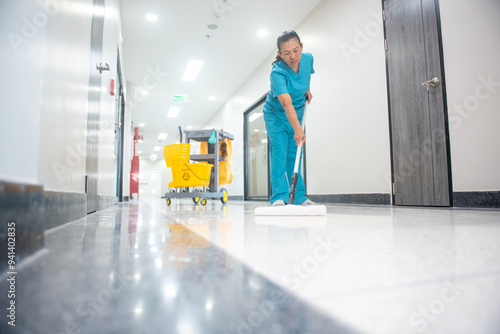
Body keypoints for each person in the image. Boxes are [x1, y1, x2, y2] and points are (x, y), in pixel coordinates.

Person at [263, 30, 316, 207]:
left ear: (302, 47)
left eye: (296, 50)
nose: (293, 56)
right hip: (276, 114)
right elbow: (286, 104)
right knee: (280, 153)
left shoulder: (308, 58)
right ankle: (279, 196)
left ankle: (299, 197)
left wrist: (306, 90)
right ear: (279, 54)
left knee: (295, 155)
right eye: (286, 53)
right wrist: (298, 130)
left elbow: (306, 76)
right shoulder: (277, 73)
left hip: (298, 111)